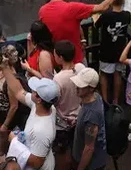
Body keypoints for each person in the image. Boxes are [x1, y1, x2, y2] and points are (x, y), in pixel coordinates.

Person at [38, 0, 123, 64]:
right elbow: (102, 7)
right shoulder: (72, 8)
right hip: (76, 61)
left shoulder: (42, 11)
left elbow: (68, 24)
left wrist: (82, 39)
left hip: (57, 62)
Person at [1, 56, 59, 170]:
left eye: (34, 90)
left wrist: (14, 142)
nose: (30, 90)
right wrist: (5, 68)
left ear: (39, 99)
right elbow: (19, 92)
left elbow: (36, 163)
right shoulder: (45, 107)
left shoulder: (41, 130)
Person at [51, 40, 85, 170]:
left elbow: (55, 99)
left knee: (63, 153)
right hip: (79, 116)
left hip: (63, 123)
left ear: (61, 57)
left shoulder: (58, 78)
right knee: (77, 147)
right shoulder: (81, 68)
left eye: (55, 55)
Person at [0, 45, 30, 155]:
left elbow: (14, 106)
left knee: (9, 144)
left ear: (3, 61)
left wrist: (5, 125)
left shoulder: (11, 80)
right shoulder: (0, 73)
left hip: (10, 118)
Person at [93, 0, 131, 105]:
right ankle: (115, 101)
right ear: (123, 1)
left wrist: (95, 17)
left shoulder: (106, 15)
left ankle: (105, 101)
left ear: (111, 1)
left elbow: (97, 25)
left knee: (104, 74)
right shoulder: (127, 15)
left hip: (106, 50)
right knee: (118, 74)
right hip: (120, 51)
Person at [69, 68, 107, 170]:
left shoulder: (91, 115)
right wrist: (78, 120)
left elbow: (89, 148)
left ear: (91, 88)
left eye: (81, 86)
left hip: (90, 165)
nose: (77, 87)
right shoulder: (96, 96)